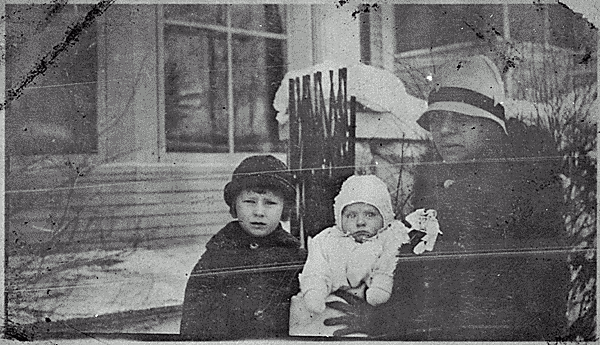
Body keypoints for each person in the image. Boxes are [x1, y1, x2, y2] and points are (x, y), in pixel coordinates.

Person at [324, 55, 568, 341]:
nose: (445, 130)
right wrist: (384, 318)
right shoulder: (434, 184)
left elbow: (545, 294)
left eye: (461, 120)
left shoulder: (528, 185)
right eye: (437, 119)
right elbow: (415, 269)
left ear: (492, 126)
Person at [289, 175, 440, 336]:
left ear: (384, 218)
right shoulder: (328, 239)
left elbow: (387, 265)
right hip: (326, 302)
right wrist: (314, 292)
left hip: (369, 311)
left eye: (370, 215)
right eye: (351, 215)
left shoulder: (391, 238)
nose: (360, 222)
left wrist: (380, 288)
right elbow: (316, 269)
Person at [179, 155, 307, 340]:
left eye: (270, 203)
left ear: (284, 208)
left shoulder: (296, 259)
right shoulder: (215, 258)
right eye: (249, 201)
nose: (259, 212)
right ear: (235, 205)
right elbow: (192, 324)